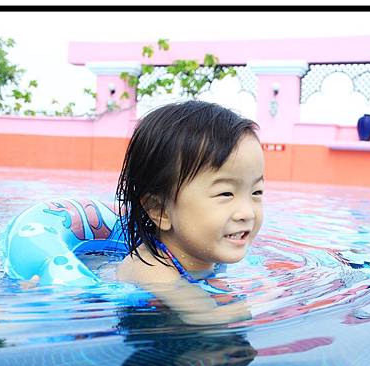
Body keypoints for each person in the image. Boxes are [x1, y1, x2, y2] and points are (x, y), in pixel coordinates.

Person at [114, 100, 268, 325]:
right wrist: (271, 299)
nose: (247, 213)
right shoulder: (151, 268)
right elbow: (207, 318)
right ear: (160, 210)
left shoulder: (207, 253)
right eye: (225, 193)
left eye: (256, 191)